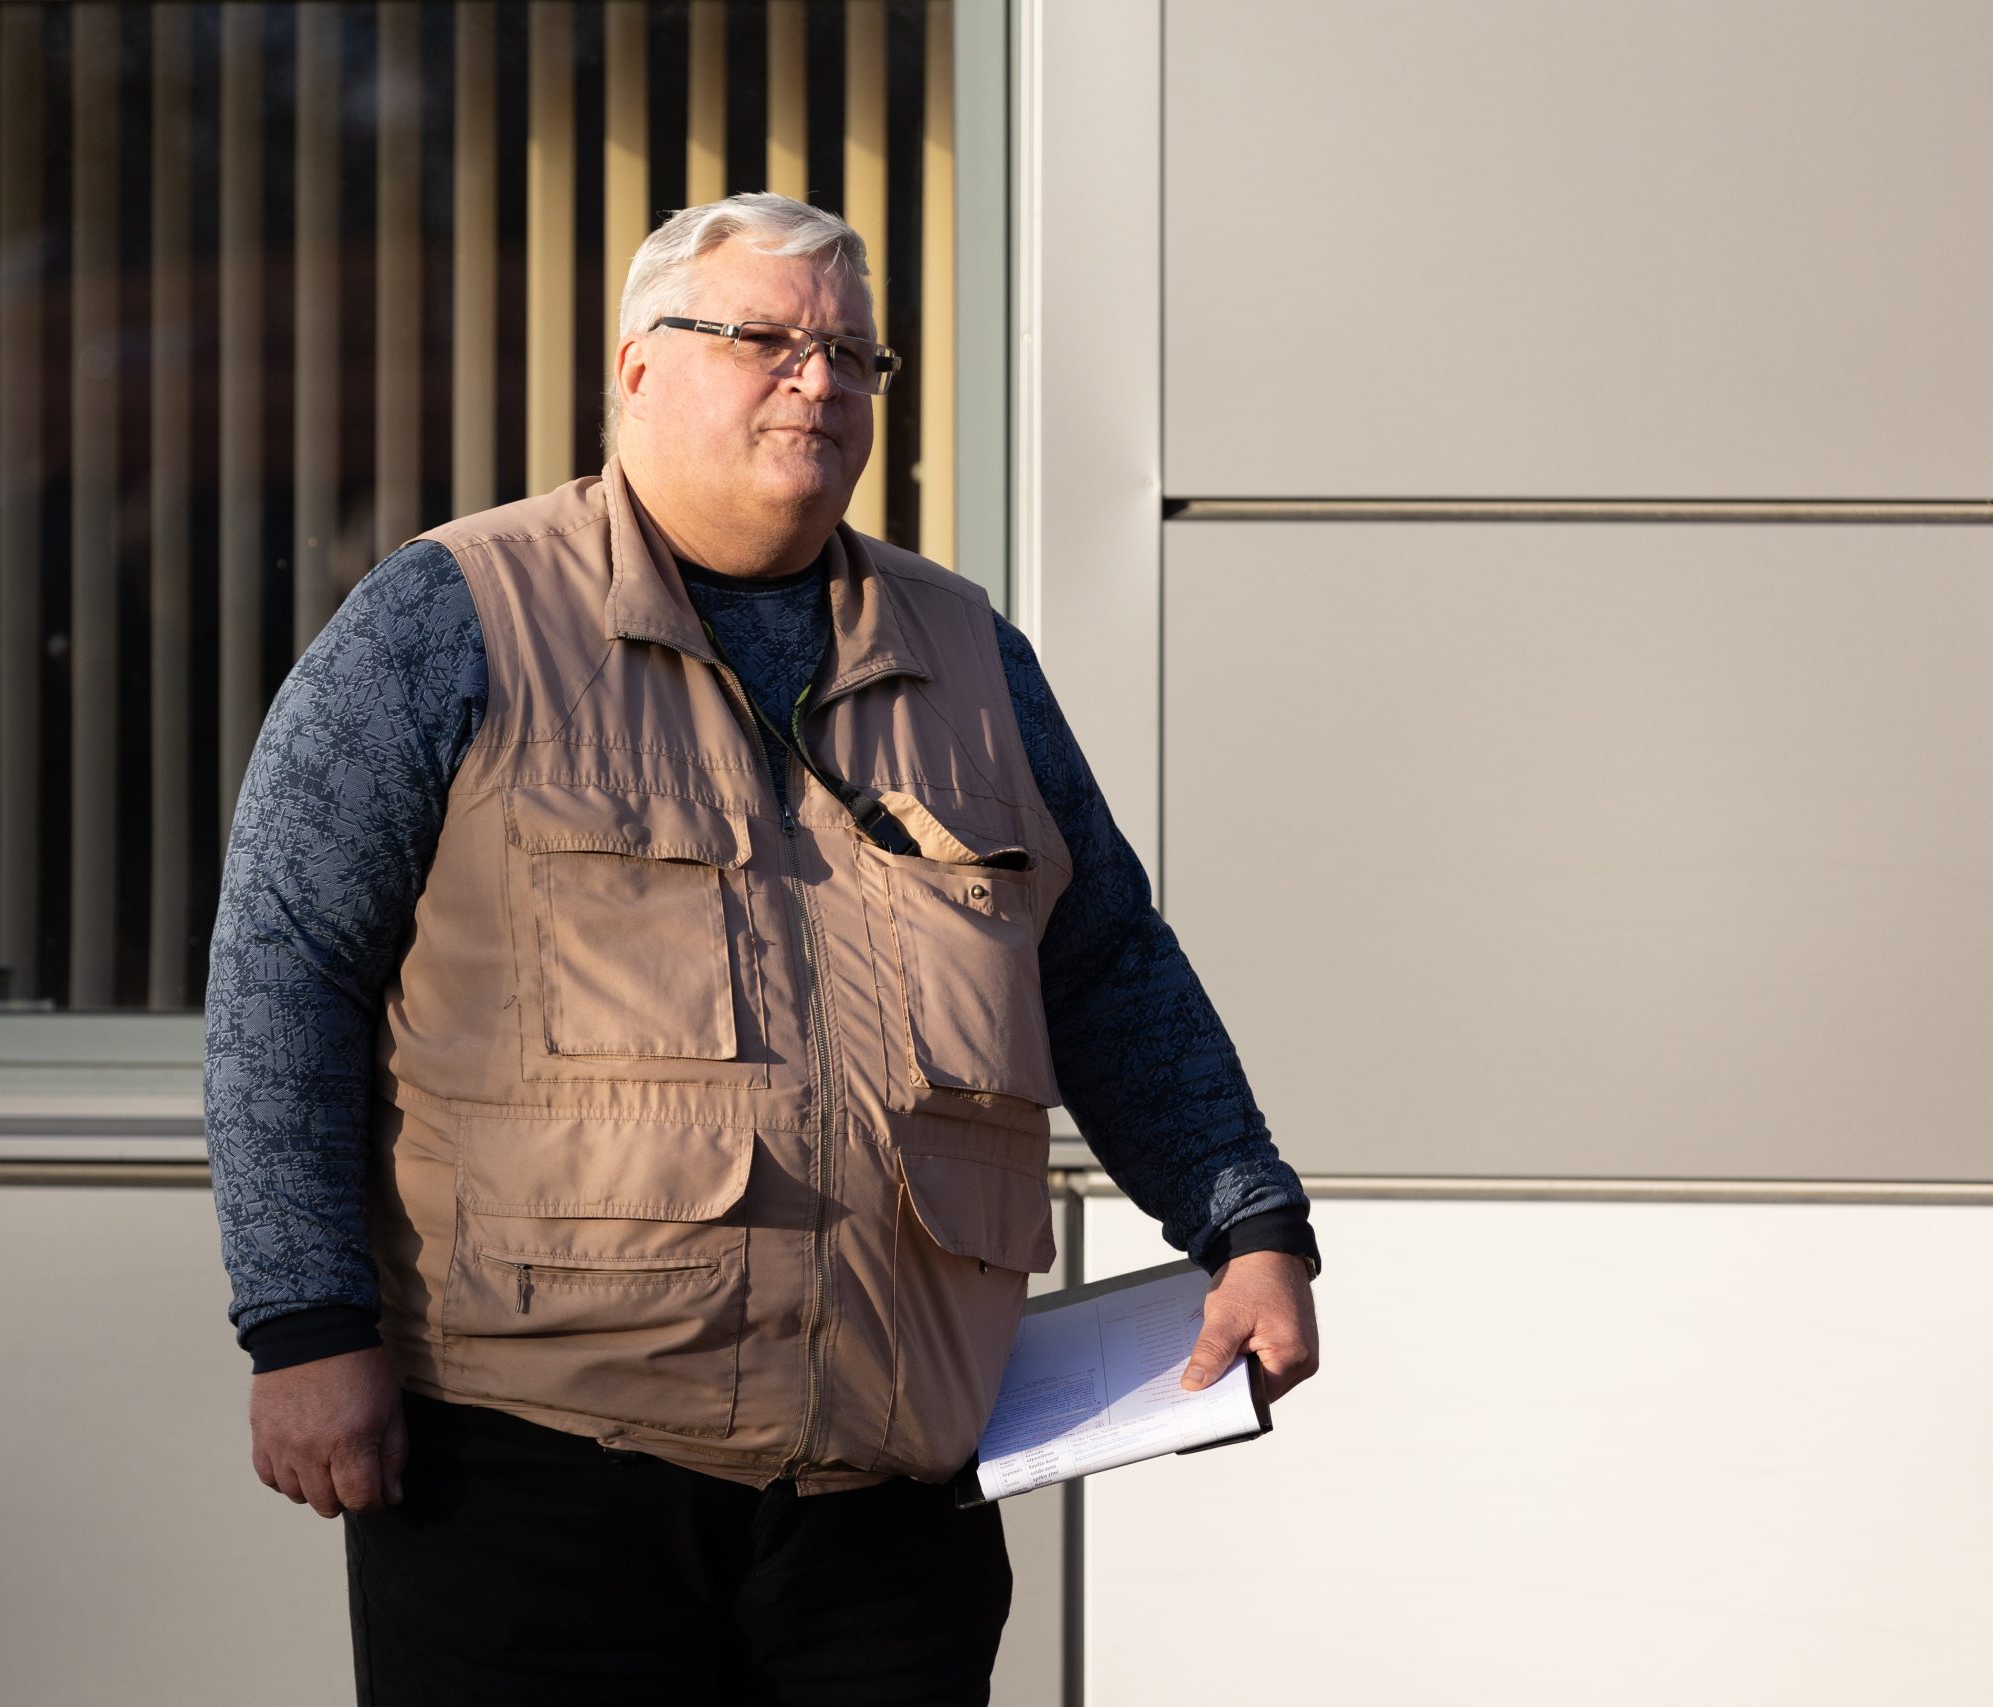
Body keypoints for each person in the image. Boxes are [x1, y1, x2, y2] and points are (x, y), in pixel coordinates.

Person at [205, 192, 1321, 1705]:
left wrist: (1248, 1223)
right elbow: (286, 970)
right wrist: (305, 1325)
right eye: (766, 340)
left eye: (854, 354)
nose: (820, 379)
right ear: (637, 368)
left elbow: (1107, 967)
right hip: (534, 1478)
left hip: (891, 1506)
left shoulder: (971, 657)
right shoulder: (452, 615)